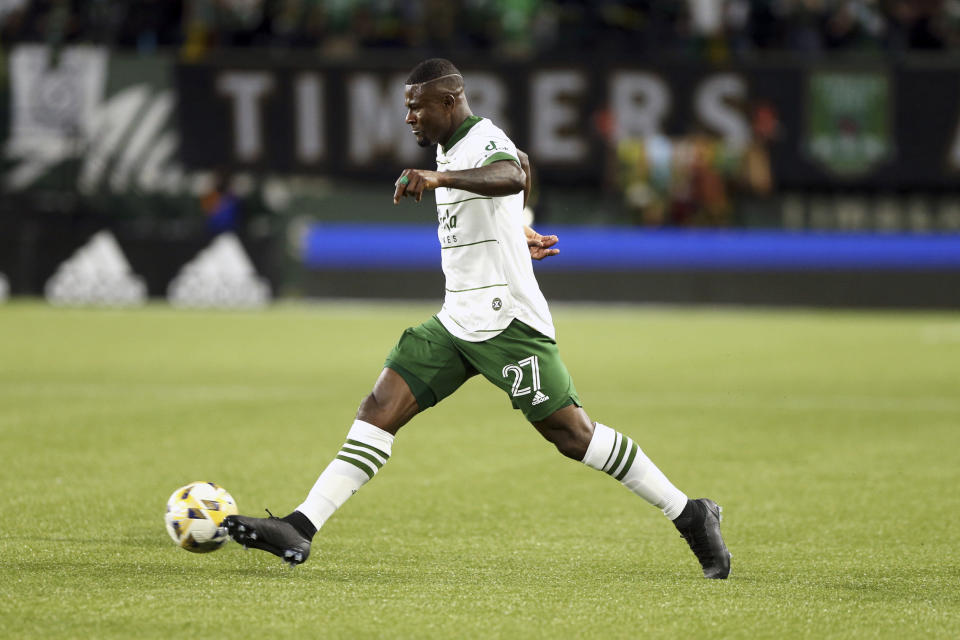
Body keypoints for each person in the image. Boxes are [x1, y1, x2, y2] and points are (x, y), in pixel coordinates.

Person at [224, 58, 731, 579]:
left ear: (450, 101)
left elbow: (512, 170)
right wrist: (518, 229)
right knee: (379, 408)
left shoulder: (480, 138)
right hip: (457, 318)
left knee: (573, 436)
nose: (409, 118)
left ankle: (690, 513)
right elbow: (525, 165)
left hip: (506, 321)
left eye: (416, 107)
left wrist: (441, 177)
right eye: (407, 108)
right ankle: (300, 527)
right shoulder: (451, 147)